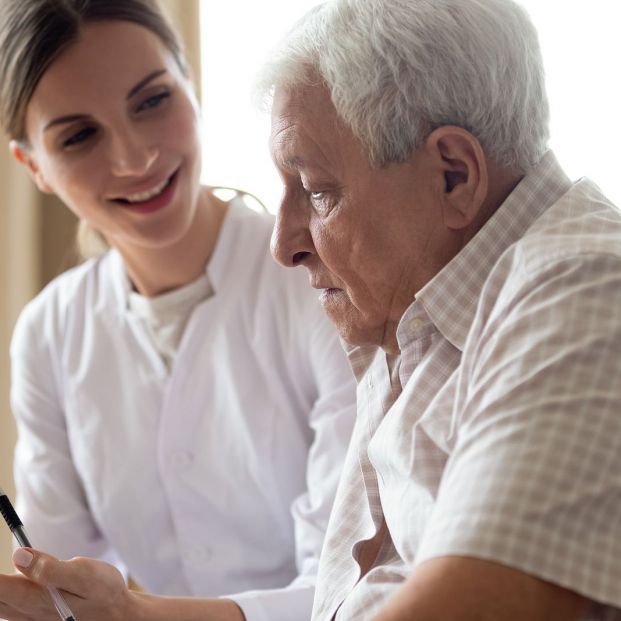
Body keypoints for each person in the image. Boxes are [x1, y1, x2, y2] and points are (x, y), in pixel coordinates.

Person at [2, 0, 621, 620]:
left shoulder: (580, 292)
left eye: (319, 191)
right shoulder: (413, 319)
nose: (283, 244)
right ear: (33, 166)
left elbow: (476, 602)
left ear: (454, 174)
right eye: (80, 134)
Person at [0, 1, 357, 620]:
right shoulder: (48, 336)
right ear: (34, 167)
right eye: (80, 136)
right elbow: (62, 593)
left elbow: (352, 583)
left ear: (192, 85)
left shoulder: (325, 281)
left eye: (152, 101)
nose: (135, 158)